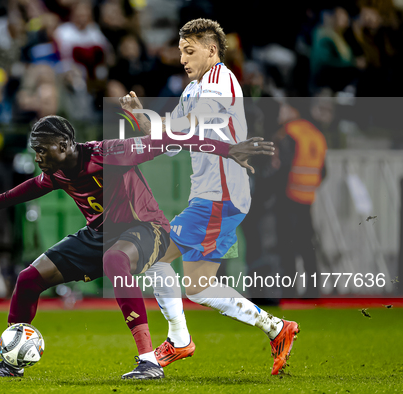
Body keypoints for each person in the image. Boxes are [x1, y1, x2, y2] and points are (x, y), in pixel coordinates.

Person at [0, 115, 273, 379]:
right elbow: (29, 189)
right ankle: (12, 363)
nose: (38, 157)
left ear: (65, 145)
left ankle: (148, 361)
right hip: (98, 235)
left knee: (115, 260)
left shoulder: (110, 153)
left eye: (42, 150)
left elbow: (171, 140)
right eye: (35, 150)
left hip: (146, 229)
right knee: (29, 278)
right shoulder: (56, 172)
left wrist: (227, 149)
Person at [120, 18, 300, 376]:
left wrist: (151, 122)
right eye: (180, 52)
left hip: (220, 196)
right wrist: (143, 123)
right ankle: (277, 329)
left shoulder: (220, 80)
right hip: (211, 197)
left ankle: (180, 341)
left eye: (190, 51)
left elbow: (188, 127)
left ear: (212, 50)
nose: (183, 59)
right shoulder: (192, 90)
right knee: (199, 287)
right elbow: (172, 144)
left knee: (153, 256)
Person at [272, 99, 327, 298]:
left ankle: (290, 289)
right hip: (308, 196)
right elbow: (324, 171)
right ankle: (313, 288)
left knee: (286, 245)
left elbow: (283, 166)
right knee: (307, 245)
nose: (281, 113)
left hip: (288, 196)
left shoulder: (288, 132)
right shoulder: (316, 134)